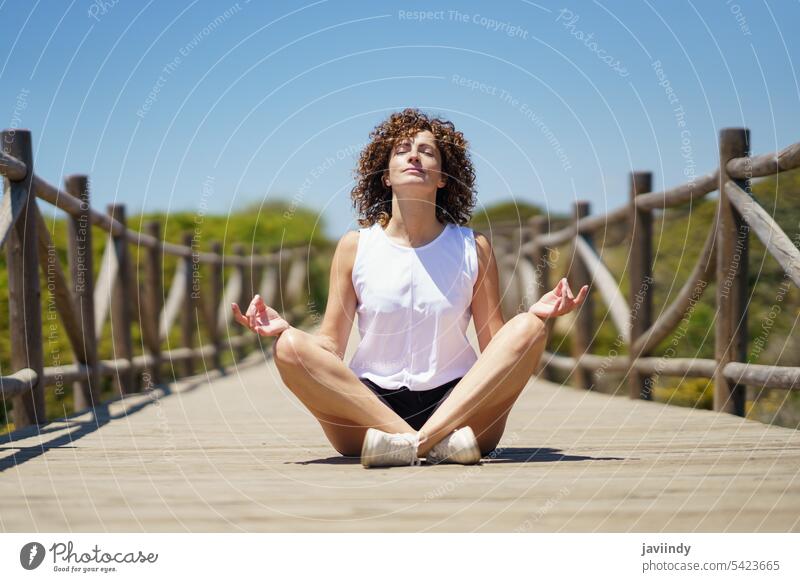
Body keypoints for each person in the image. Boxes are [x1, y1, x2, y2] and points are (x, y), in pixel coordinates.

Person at [232, 108, 587, 468]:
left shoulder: (473, 247)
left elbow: (494, 343)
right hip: (368, 409)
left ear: (443, 179)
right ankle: (432, 446)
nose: (414, 155)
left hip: (458, 406)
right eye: (402, 149)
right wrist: (286, 330)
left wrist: (538, 318)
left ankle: (409, 445)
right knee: (290, 347)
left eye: (427, 151)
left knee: (528, 326)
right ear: (385, 176)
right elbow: (329, 345)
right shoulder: (355, 247)